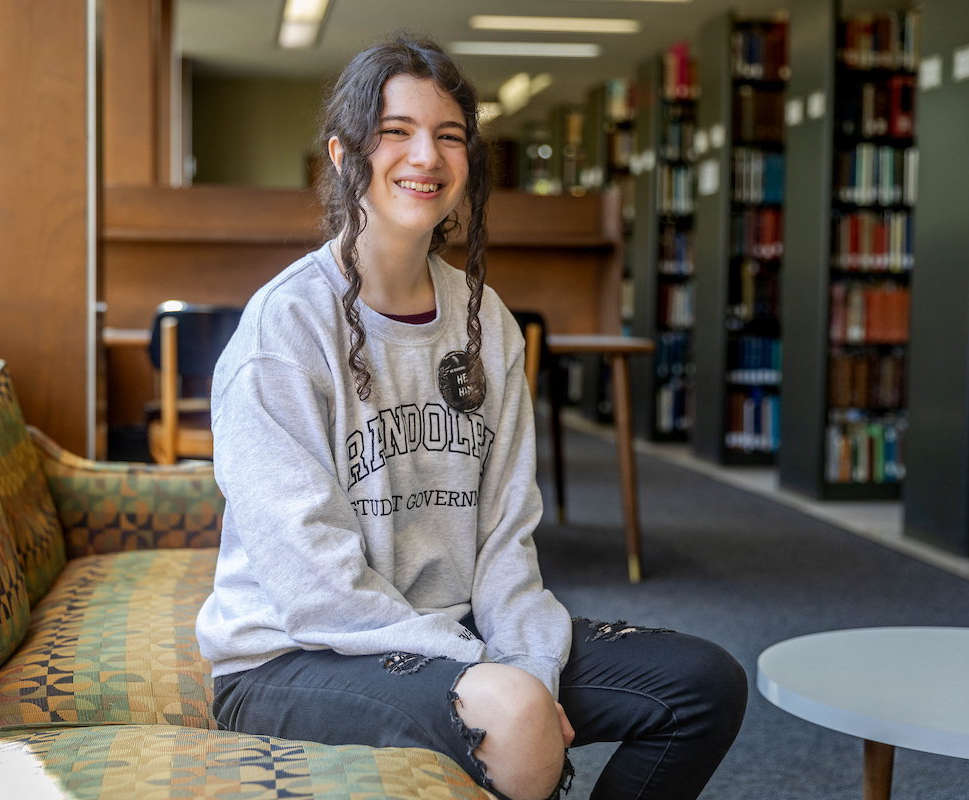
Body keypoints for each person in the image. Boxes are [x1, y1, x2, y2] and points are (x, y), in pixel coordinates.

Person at [196, 34, 747, 800]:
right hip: (296, 657)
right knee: (516, 713)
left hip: (454, 634)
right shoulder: (282, 334)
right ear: (343, 153)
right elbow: (316, 585)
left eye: (449, 135)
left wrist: (524, 659)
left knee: (702, 684)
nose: (426, 155)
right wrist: (491, 675)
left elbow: (506, 539)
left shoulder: (489, 324)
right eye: (396, 131)